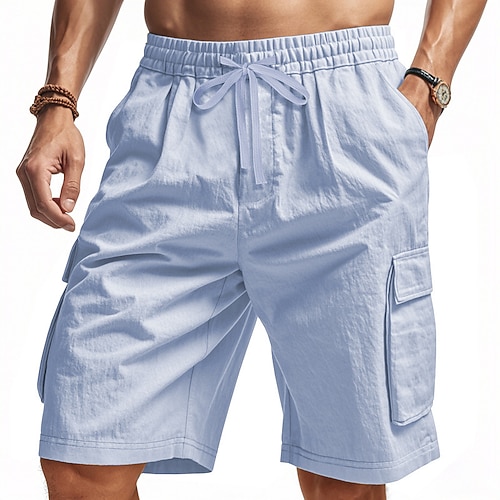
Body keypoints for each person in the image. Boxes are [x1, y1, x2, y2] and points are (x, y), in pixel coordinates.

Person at [16, 0, 487, 498]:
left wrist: (430, 82)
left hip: (343, 116)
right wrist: (57, 101)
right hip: (172, 116)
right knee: (82, 458)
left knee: (345, 472)